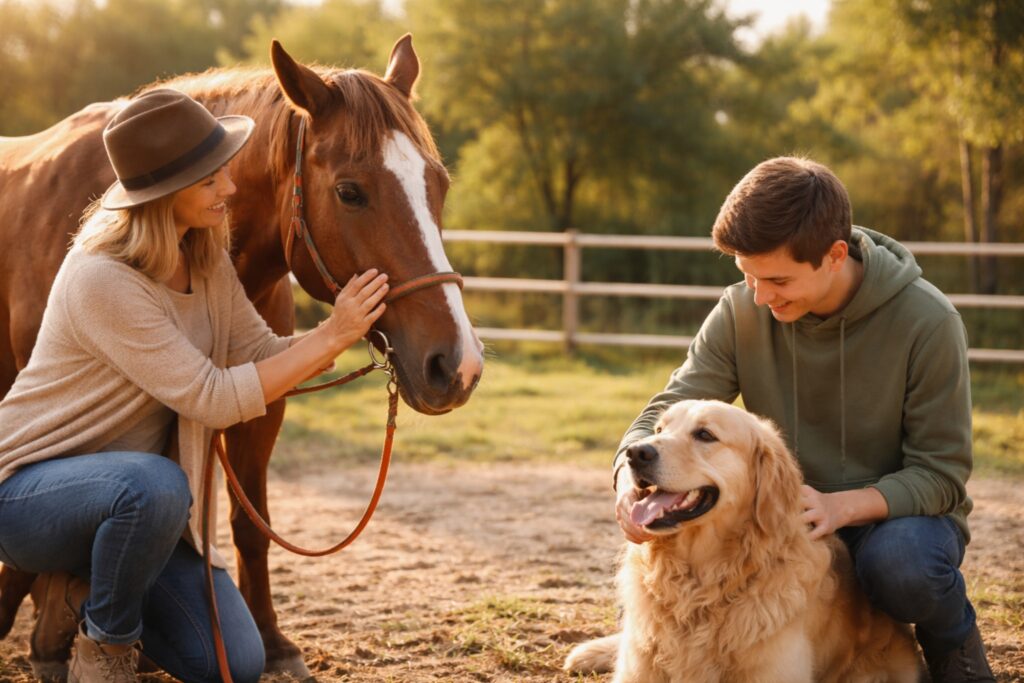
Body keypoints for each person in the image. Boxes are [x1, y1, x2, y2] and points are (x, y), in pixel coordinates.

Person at [0, 89, 389, 682]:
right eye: (211, 181)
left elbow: (257, 353)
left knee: (234, 662)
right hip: (29, 498)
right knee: (155, 484)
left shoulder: (205, 259)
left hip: (133, 509)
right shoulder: (103, 279)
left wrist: (349, 335)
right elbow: (210, 395)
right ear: (164, 194)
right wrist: (330, 338)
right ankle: (103, 649)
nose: (230, 189)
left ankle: (76, 595)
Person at [613, 157, 994, 683]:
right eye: (746, 275)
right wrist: (627, 482)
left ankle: (955, 649)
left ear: (835, 255)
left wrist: (842, 507)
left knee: (904, 566)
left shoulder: (929, 322)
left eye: (777, 279)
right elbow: (668, 410)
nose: (760, 296)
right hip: (779, 524)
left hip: (893, 521)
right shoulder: (742, 309)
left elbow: (943, 474)